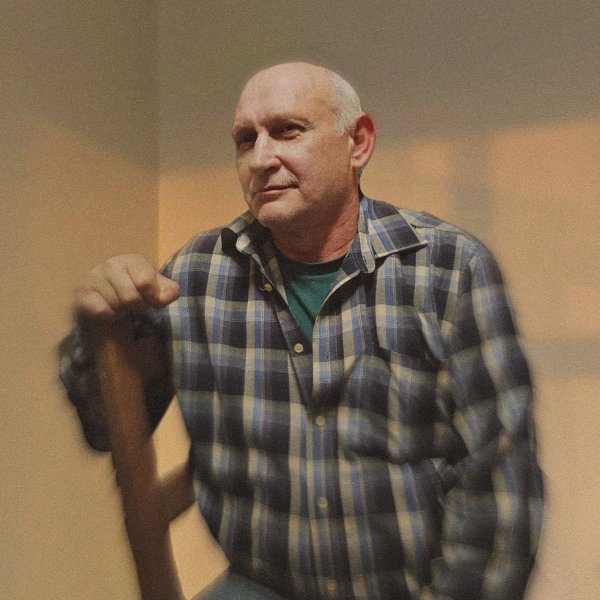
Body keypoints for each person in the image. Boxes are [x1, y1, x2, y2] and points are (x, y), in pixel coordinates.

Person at [59, 62, 543, 599]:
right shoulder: (197, 273)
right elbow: (103, 427)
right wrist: (100, 322)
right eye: (246, 140)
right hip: (258, 586)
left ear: (358, 143)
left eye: (288, 131)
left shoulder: (451, 269)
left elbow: (501, 492)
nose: (261, 159)